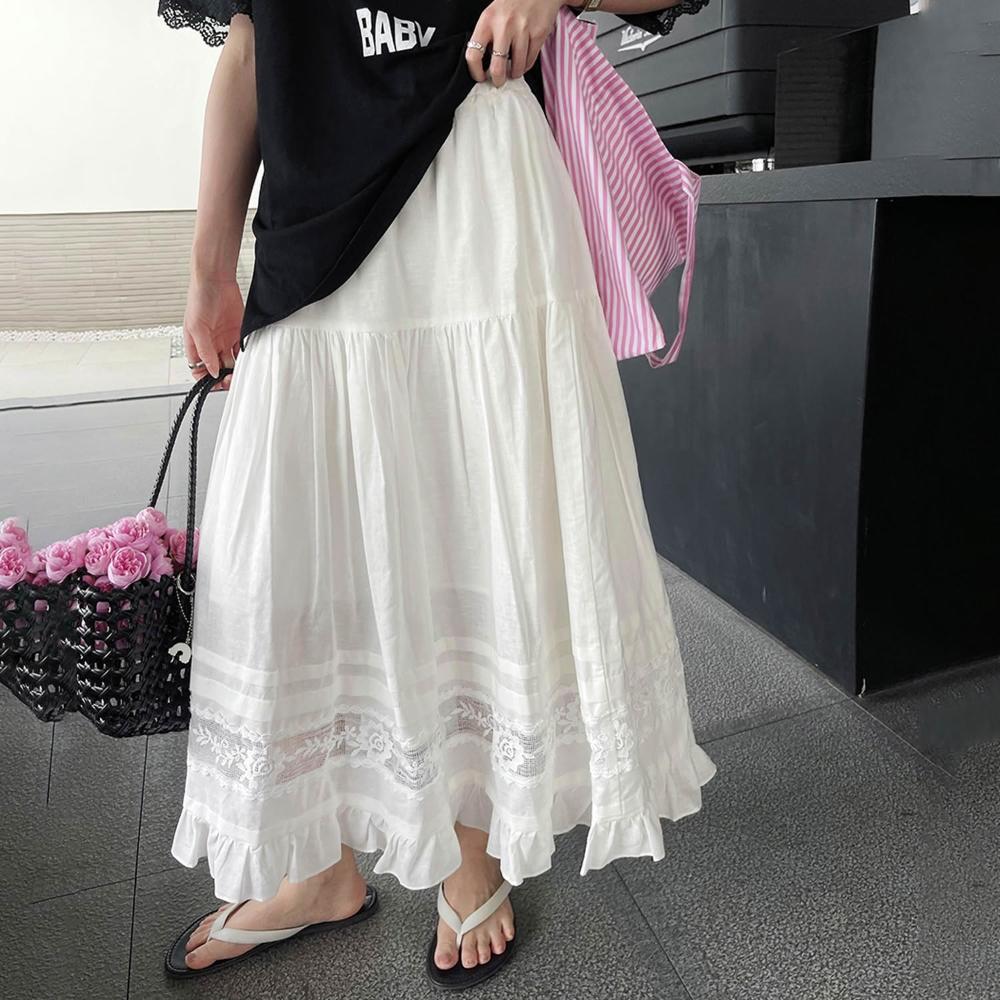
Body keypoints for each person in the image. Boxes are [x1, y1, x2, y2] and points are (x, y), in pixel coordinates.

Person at [158, 0, 716, 990]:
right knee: (301, 541)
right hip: (312, 202)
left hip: (475, 189)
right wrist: (207, 263)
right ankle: (317, 861)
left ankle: (470, 844)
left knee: (465, 516)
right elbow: (252, 42)